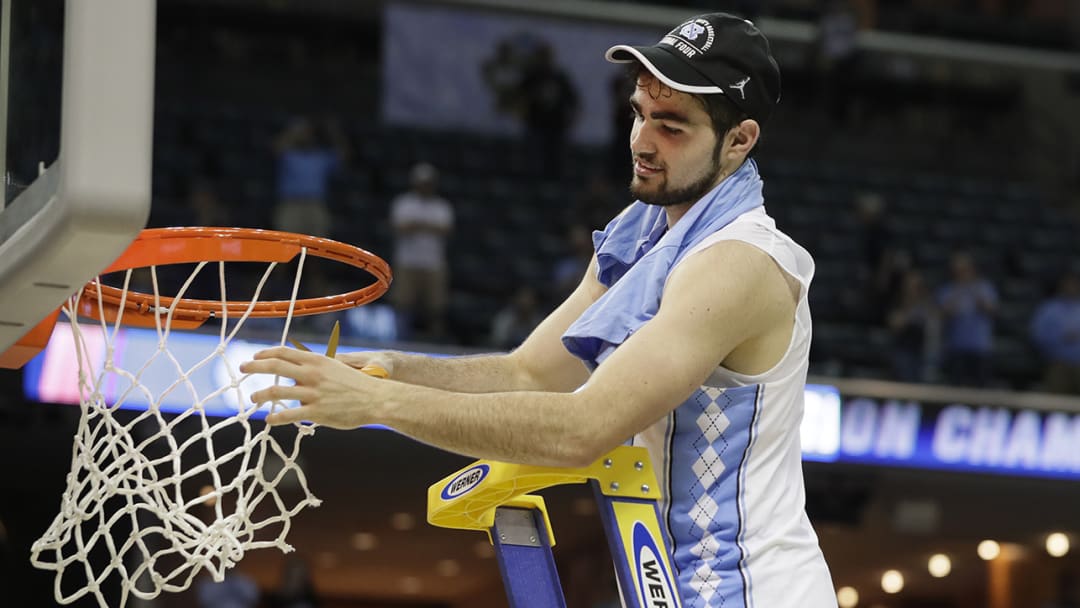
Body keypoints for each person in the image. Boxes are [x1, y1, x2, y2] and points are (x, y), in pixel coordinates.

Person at [243, 13, 836, 607]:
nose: (641, 141)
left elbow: (582, 428)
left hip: (756, 590)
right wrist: (397, 368)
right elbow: (531, 373)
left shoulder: (739, 261)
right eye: (639, 113)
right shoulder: (644, 237)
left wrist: (378, 404)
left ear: (740, 140)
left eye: (672, 127)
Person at [389, 162, 454, 340]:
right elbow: (400, 227)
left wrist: (417, 224)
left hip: (433, 263)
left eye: (428, 182)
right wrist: (428, 226)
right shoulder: (404, 203)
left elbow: (446, 230)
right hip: (407, 261)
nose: (425, 186)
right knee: (403, 304)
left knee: (436, 307)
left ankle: (436, 341)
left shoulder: (442, 206)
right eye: (422, 182)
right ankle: (399, 338)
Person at [271, 115, 349, 238]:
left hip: (315, 204)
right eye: (303, 133)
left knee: (319, 243)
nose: (306, 135)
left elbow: (343, 156)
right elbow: (276, 148)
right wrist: (294, 131)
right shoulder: (289, 155)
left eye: (308, 133)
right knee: (285, 242)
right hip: (291, 204)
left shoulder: (321, 157)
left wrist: (334, 133)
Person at [937, 250, 998, 386]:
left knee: (980, 389)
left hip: (980, 347)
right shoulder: (948, 290)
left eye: (965, 269)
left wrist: (975, 293)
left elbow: (992, 311)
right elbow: (942, 314)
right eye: (958, 270)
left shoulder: (984, 287)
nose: (962, 273)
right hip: (957, 347)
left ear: (972, 269)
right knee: (956, 387)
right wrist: (958, 293)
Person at [1031, 269, 1080, 395]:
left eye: (1075, 284)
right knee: (1057, 401)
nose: (1072, 287)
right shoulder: (1049, 309)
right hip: (1058, 364)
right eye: (1069, 284)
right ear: (1062, 285)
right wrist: (1061, 338)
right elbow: (1038, 336)